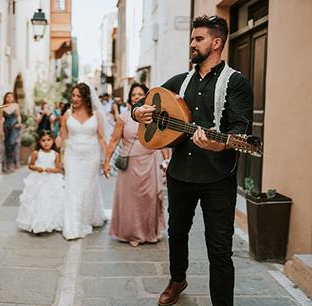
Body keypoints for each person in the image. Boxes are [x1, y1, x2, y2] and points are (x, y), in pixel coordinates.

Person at [132, 15, 253, 306]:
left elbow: (242, 132)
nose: (192, 44)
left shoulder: (235, 82)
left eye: (198, 39)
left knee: (220, 248)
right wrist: (139, 112)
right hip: (180, 173)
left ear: (216, 42)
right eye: (191, 38)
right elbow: (143, 100)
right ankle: (177, 279)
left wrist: (217, 143)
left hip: (217, 178)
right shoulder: (181, 81)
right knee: (176, 232)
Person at [103, 83, 168, 247]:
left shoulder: (155, 117)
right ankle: (133, 234)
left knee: (149, 199)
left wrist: (167, 160)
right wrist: (106, 162)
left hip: (149, 163)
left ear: (146, 96)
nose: (136, 97)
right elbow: (113, 141)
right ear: (129, 98)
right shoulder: (123, 118)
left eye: (140, 94)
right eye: (133, 94)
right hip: (130, 165)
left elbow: (162, 141)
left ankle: (149, 232)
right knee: (131, 201)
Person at [56, 83, 108, 240]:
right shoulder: (66, 114)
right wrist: (58, 153)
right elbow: (63, 136)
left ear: (86, 97)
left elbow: (102, 138)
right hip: (72, 155)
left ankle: (87, 217)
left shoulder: (97, 115)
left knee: (87, 188)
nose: (75, 99)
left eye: (78, 96)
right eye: (73, 95)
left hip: (91, 156)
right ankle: (73, 225)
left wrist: (106, 160)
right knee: (73, 187)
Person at [16, 130, 65, 233]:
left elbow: (58, 168)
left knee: (51, 201)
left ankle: (52, 222)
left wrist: (50, 170)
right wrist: (37, 168)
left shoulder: (55, 154)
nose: (46, 142)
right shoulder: (36, 153)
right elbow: (30, 165)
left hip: (51, 180)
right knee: (39, 199)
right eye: (43, 140)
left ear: (53, 141)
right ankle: (37, 222)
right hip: (38, 180)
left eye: (48, 140)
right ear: (39, 142)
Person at [0, 92, 22, 173]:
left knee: (13, 144)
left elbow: (18, 115)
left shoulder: (16, 105)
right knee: (7, 146)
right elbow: (1, 119)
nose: (9, 98)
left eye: (11, 97)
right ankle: (7, 166)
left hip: (14, 127)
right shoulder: (2, 107)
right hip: (6, 127)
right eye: (8, 97)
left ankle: (14, 162)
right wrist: (1, 130)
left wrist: (19, 123)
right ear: (5, 98)